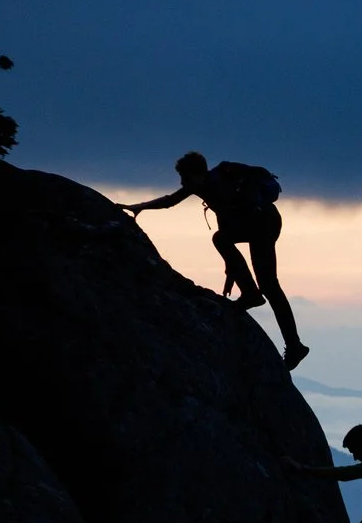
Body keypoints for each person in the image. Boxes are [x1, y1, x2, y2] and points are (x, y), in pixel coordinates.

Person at [124, 151, 309, 369]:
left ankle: (293, 344)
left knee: (268, 285)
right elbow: (170, 201)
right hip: (252, 224)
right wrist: (139, 207)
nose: (183, 182)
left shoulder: (221, 182)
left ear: (199, 173)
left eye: (186, 177)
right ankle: (252, 295)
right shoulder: (202, 186)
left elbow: (231, 220)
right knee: (221, 239)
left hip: (264, 224)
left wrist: (235, 271)